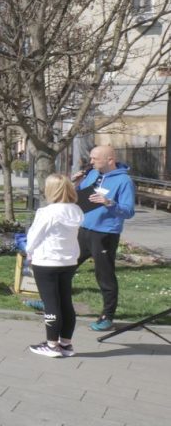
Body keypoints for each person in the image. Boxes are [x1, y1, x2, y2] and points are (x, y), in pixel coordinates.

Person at [73, 145, 136, 332]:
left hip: (105, 234)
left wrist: (109, 203)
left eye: (94, 159)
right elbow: (79, 197)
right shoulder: (92, 174)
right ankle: (50, 302)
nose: (90, 162)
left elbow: (129, 211)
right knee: (64, 265)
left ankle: (107, 317)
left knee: (104, 276)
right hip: (84, 229)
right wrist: (75, 183)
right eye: (90, 158)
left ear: (109, 159)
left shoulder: (124, 181)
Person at [25, 174, 85, 357]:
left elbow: (34, 237)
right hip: (68, 260)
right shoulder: (76, 210)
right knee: (65, 301)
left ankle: (52, 345)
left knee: (51, 303)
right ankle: (66, 344)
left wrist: (28, 251)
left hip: (47, 260)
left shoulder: (46, 212)